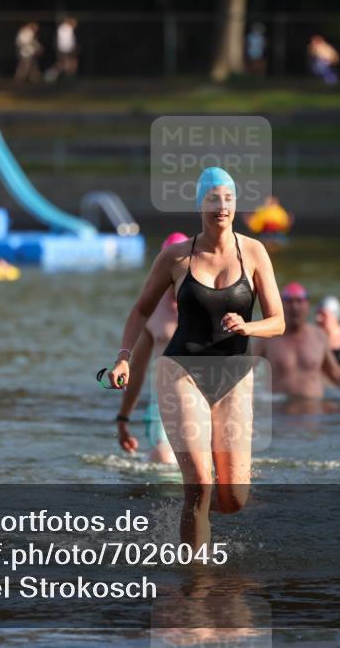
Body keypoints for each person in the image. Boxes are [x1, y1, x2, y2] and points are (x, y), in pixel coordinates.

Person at [106, 167, 285, 548]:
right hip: (181, 372)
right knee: (199, 485)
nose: (221, 207)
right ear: (200, 204)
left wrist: (248, 328)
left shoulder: (254, 252)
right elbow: (140, 311)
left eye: (228, 199)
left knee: (233, 500)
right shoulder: (175, 257)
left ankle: (185, 522)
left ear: (236, 204)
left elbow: (279, 321)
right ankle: (196, 580)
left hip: (235, 375)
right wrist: (122, 358)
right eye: (213, 199)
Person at [115, 232, 188, 466]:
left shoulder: (207, 304)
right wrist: (123, 418)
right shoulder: (152, 312)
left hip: (201, 400)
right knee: (164, 459)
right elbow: (136, 371)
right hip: (164, 403)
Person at [254, 283, 340, 399]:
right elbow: (245, 372)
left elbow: (335, 373)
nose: (295, 307)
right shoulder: (268, 338)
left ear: (307, 305)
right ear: (281, 305)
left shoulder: (318, 337)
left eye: (299, 301)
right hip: (280, 413)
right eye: (289, 301)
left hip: (314, 411)